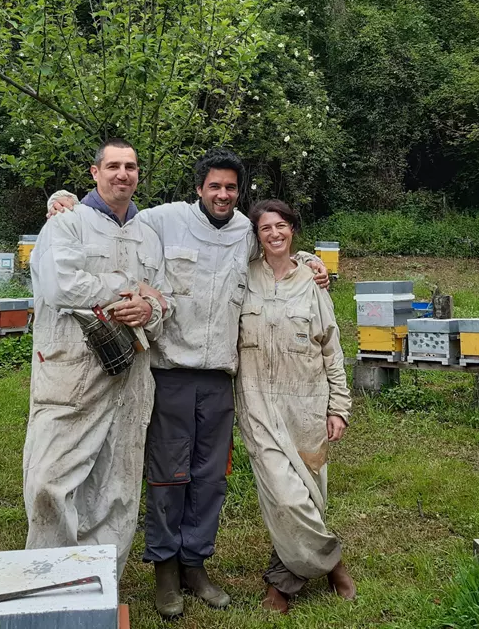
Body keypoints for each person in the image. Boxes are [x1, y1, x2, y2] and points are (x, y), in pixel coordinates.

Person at [46, 148, 330, 618]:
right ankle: (165, 570)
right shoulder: (164, 220)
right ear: (199, 188)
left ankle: (195, 566)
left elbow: (278, 248)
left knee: (209, 479)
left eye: (231, 188)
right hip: (170, 373)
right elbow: (113, 217)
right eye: (214, 186)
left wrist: (309, 259)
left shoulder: (246, 232)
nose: (223, 194)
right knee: (168, 476)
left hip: (220, 377)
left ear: (239, 192)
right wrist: (64, 199)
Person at [23, 138, 172, 578]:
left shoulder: (148, 235)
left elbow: (163, 297)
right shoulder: (67, 223)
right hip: (71, 371)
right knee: (49, 481)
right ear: (94, 172)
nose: (122, 174)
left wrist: (150, 309)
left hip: (131, 374)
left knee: (117, 488)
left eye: (130, 166)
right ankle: (51, 580)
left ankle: (98, 584)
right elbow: (61, 287)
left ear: (138, 174)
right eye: (113, 166)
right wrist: (128, 287)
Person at [237, 199, 354, 614]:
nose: (274, 234)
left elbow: (331, 349)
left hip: (306, 404)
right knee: (284, 498)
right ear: (256, 235)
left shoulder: (312, 281)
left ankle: (282, 584)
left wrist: (338, 406)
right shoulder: (242, 277)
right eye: (265, 228)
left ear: (292, 229)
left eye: (281, 226)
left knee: (306, 498)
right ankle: (332, 562)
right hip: (257, 404)